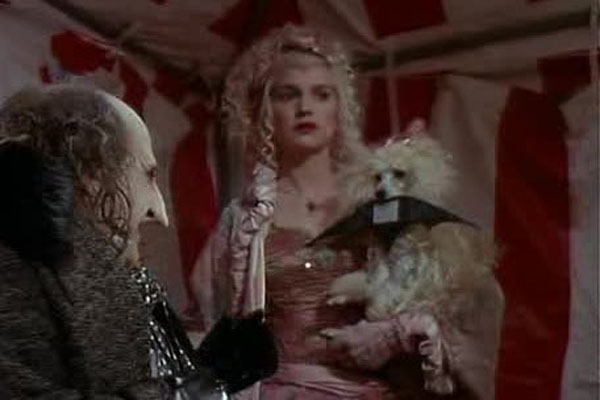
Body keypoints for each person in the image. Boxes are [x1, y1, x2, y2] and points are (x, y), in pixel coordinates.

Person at [192, 25, 504, 400]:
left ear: (339, 107)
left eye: (321, 94)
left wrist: (398, 333)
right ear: (261, 110)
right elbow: (210, 320)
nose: (305, 108)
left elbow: (463, 291)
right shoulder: (244, 221)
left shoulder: (381, 197)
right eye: (287, 95)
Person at [0, 84, 271, 399]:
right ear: (90, 173)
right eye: (148, 175)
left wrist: (203, 370)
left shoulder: (114, 277)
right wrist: (193, 390)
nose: (160, 213)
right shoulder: (15, 271)